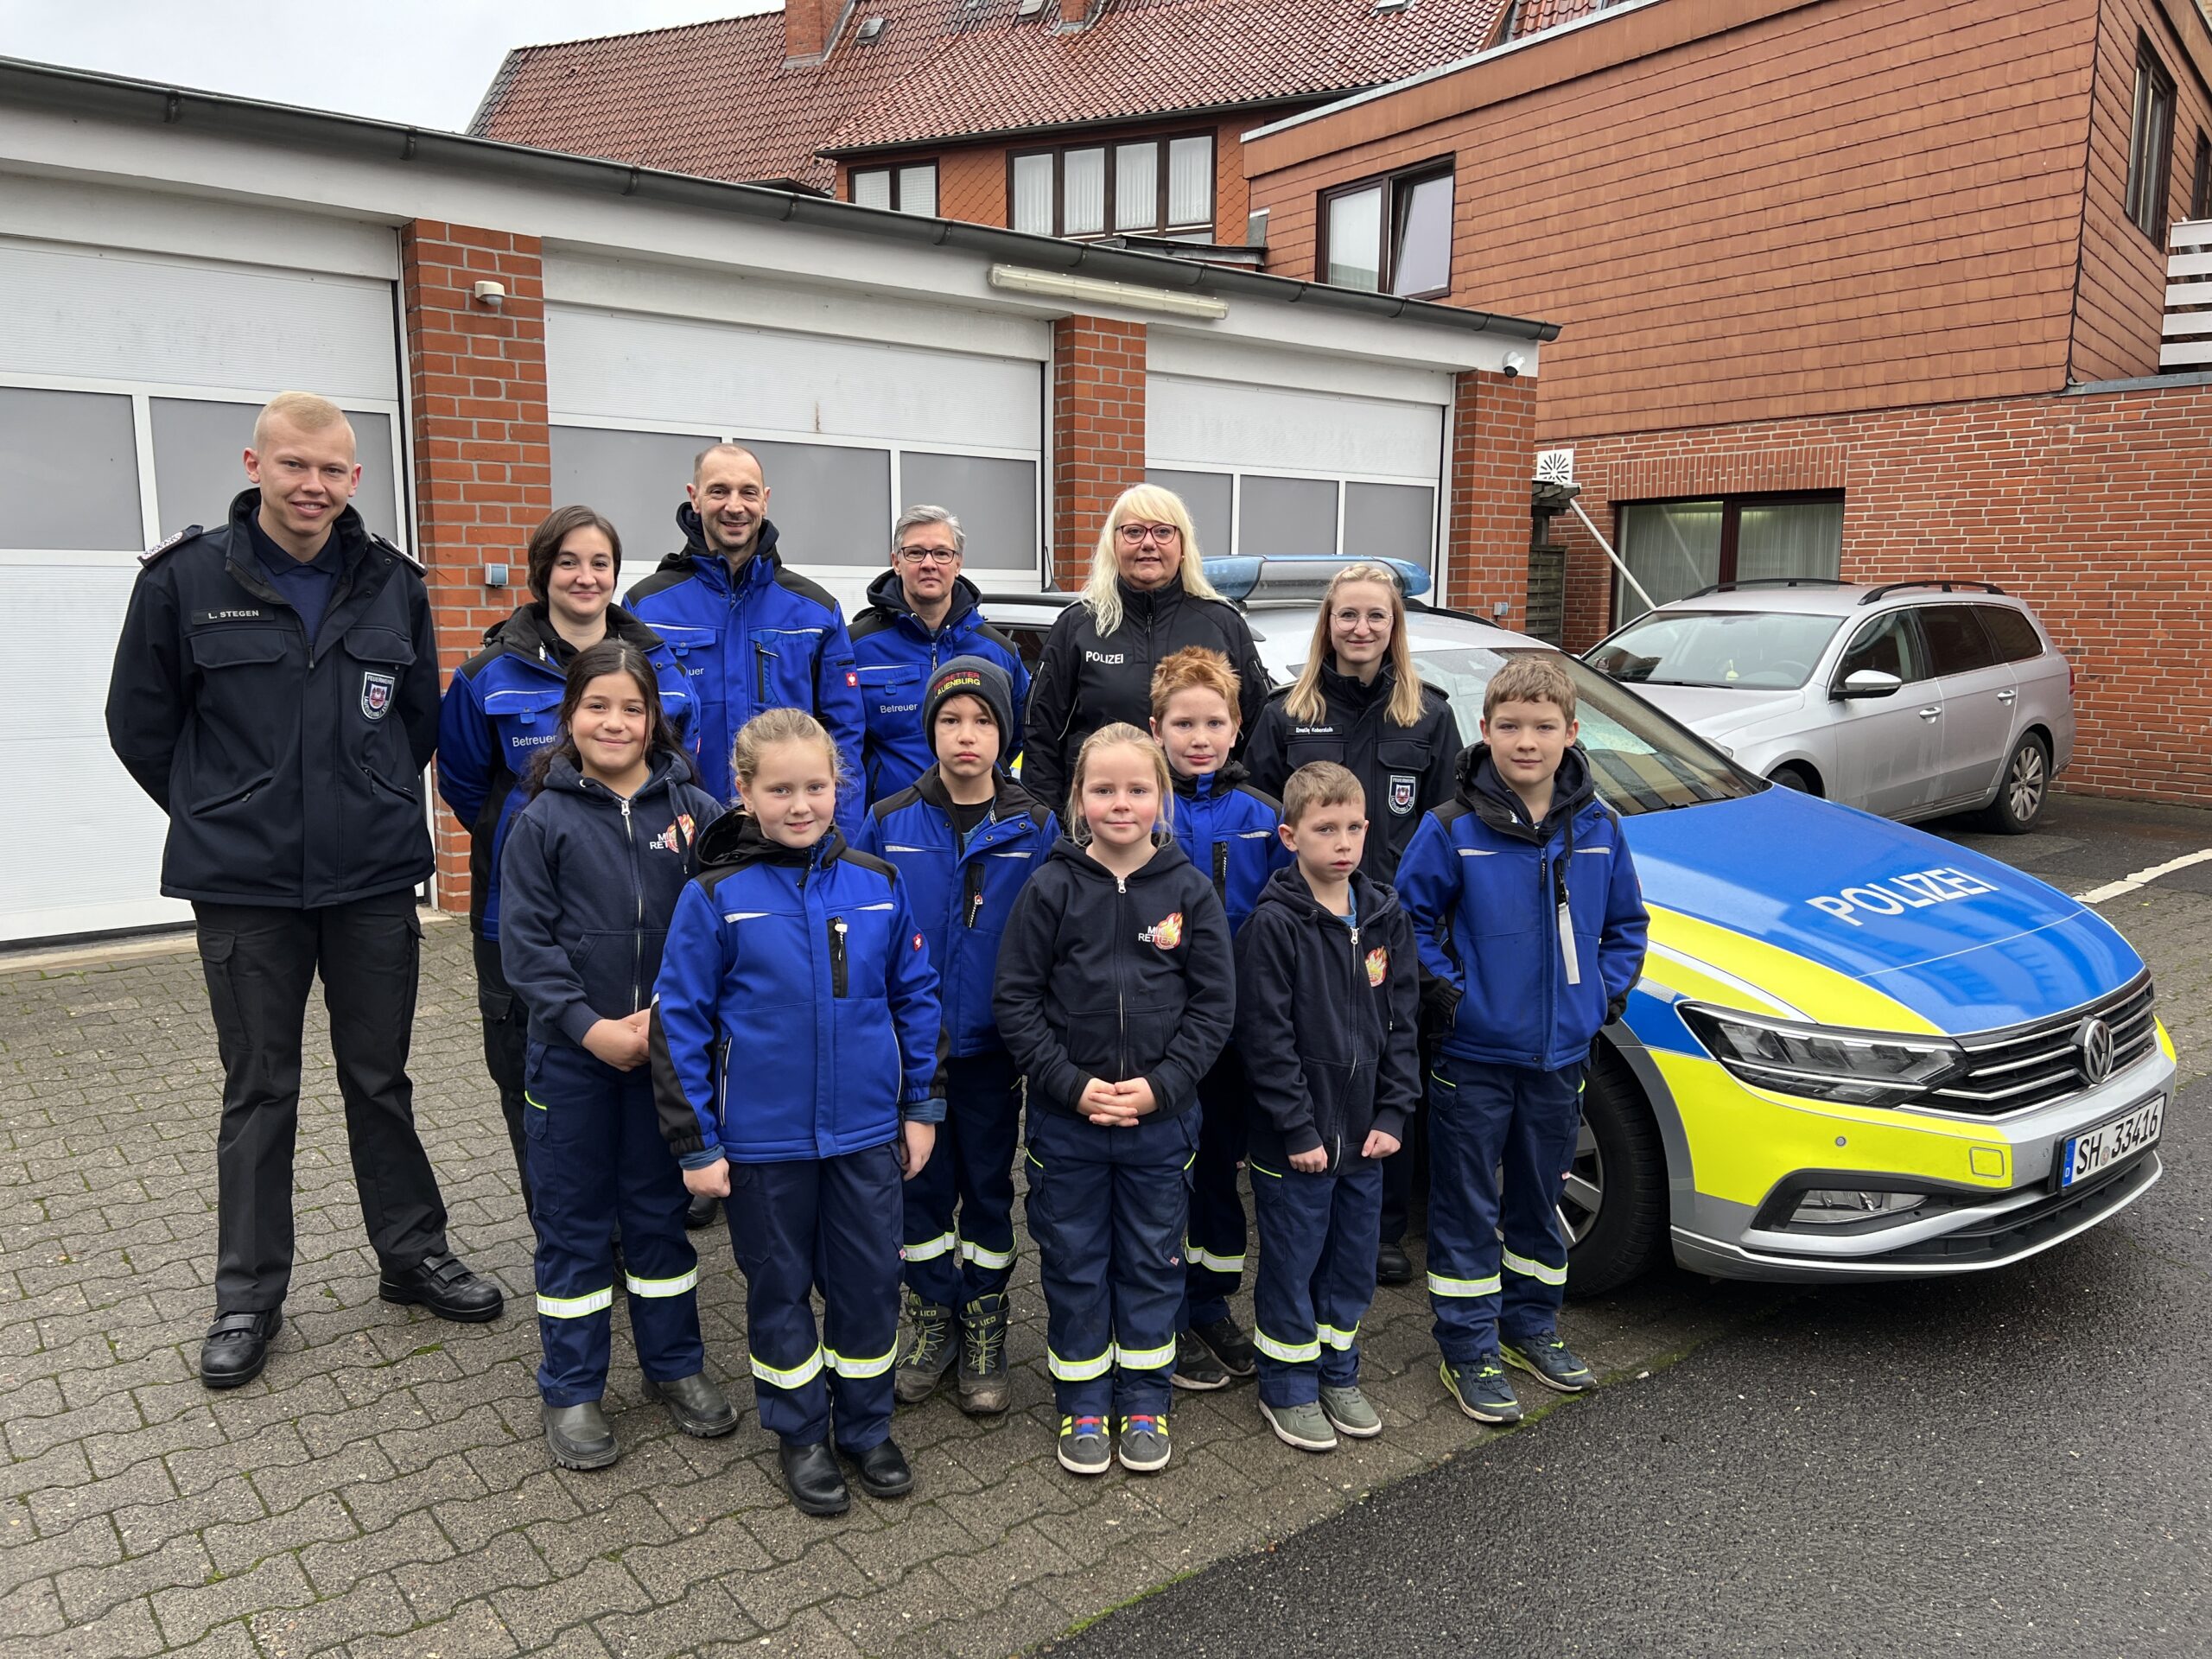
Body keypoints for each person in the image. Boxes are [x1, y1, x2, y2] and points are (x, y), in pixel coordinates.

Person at [105, 391, 502, 1391]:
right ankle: (248, 1296)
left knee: (381, 1078)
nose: (313, 487)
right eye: (294, 466)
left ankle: (411, 1256)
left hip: (370, 880)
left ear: (354, 478)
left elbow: (413, 720)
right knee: (258, 1089)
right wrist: (223, 805)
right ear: (256, 463)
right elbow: (139, 723)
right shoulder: (187, 580)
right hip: (243, 887)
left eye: (331, 470)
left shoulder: (391, 583)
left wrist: (360, 797)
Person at [651, 709, 944, 1517]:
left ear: (838, 787)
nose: (801, 803)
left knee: (870, 1285)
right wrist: (697, 1144)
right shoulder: (715, 897)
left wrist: (921, 1106)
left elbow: (917, 1000)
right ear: (743, 794)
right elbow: (679, 1024)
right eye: (779, 789)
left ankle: (866, 1426)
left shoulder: (878, 885)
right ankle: (800, 1431)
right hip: (762, 1145)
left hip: (864, 1137)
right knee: (779, 1290)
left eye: (816, 786)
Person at [495, 640, 734, 1470]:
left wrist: (669, 1026)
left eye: (632, 708)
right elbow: (524, 950)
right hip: (572, 1062)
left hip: (667, 1063)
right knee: (573, 1226)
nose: (615, 722)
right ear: (569, 717)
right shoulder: (541, 821)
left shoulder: (698, 814)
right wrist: (593, 1029)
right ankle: (571, 1386)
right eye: (597, 706)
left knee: (660, 1219)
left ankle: (675, 1367)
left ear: (654, 719)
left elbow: (720, 929)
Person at [1394, 656, 1648, 1426]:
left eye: (1543, 727)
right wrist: (1454, 998)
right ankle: (1468, 1345)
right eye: (1510, 726)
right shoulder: (1451, 829)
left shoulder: (1601, 829)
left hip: (1561, 1056)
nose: (1526, 742)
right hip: (1473, 1057)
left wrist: (1600, 995)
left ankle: (1531, 1325)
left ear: (1572, 734)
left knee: (1540, 1201)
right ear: (1485, 731)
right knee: (1467, 1206)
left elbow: (1627, 927)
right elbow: (1407, 924)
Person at [436, 506, 697, 1225]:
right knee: (536, 1070)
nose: (585, 577)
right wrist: (528, 840)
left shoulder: (662, 664)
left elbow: (681, 767)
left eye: (600, 564)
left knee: (649, 1057)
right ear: (542, 571)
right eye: (569, 563)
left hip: (643, 910)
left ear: (616, 575)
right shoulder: (487, 671)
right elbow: (462, 783)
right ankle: (567, 1223)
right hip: (520, 914)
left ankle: (645, 1214)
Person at [995, 723, 1235, 1478]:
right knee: (1073, 1261)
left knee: (1154, 1261)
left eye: (1137, 789)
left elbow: (1214, 1006)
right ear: (1078, 799)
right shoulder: (1050, 888)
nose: (1121, 803)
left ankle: (1145, 1399)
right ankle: (1083, 1402)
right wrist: (1071, 1085)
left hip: (1160, 1128)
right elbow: (1017, 1001)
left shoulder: (1190, 889)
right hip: (1069, 1127)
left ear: (1160, 797)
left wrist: (1163, 1087)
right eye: (1104, 790)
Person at [1243, 564, 1463, 1288]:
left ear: (1395, 627)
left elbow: (1446, 828)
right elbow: (1262, 814)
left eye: (1376, 616)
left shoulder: (1427, 715)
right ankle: (1304, 1195)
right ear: (1327, 625)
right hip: (1309, 924)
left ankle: (1381, 1228)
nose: (1361, 629)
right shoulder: (1285, 714)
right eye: (1348, 616)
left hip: (1390, 925)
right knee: (1307, 1052)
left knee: (1385, 1058)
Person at [859, 657, 1056, 1416]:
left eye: (982, 721)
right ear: (929, 729)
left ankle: (984, 1319)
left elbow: (1051, 941)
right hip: (912, 1053)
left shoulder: (1034, 826)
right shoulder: (888, 819)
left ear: (1004, 734)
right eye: (950, 720)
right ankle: (930, 1313)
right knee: (918, 1188)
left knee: (986, 1189)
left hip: (993, 1052)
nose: (965, 735)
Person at [1234, 762, 1417, 1453]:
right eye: (1324, 829)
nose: (1342, 843)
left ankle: (1338, 1368)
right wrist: (1296, 1128)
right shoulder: (1274, 927)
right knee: (1292, 1262)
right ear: (1290, 836)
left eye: (1353, 827)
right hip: (1299, 1146)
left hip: (1366, 1137)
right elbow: (1266, 1040)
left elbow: (1402, 1025)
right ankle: (1287, 1384)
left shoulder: (1384, 916)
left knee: (1349, 1262)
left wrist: (1395, 1114)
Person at [1147, 647, 1289, 1395]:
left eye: (1214, 722)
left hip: (1236, 1034)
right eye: (1183, 722)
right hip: (1159, 1034)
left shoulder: (1265, 818)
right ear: (1156, 726)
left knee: (1219, 1171)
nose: (1198, 736)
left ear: (1238, 728)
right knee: (1163, 1171)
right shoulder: (1143, 803)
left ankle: (1207, 1304)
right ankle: (1158, 1310)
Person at [624, 442, 866, 834]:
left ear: (765, 501)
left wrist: (844, 836)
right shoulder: (647, 607)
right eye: (719, 491)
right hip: (679, 828)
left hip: (789, 831)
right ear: (695, 498)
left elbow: (845, 738)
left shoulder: (816, 612)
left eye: (748, 492)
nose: (735, 506)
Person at [1020, 484, 1267, 823]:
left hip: (1202, 828)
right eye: (1133, 531)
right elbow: (1040, 736)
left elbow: (1257, 733)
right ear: (1114, 544)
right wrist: (1052, 828)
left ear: (1182, 546)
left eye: (1163, 531)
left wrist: (1237, 819)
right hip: (1102, 828)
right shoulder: (1079, 627)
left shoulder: (1222, 625)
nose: (1148, 543)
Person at [849, 505, 1031, 804]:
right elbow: (838, 739)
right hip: (887, 826)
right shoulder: (857, 646)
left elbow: (1019, 736)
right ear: (896, 562)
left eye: (942, 553)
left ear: (958, 564)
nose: (929, 564)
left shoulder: (999, 652)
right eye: (916, 553)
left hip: (979, 824)